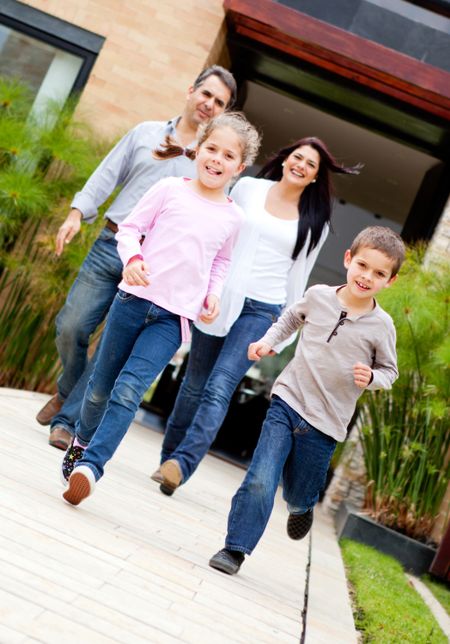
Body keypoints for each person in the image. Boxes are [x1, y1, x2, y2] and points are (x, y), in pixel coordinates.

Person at [60, 112, 261, 506]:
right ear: (198, 149)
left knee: (129, 391)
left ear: (240, 167)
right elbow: (131, 229)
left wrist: (212, 295)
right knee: (100, 388)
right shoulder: (169, 189)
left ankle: (91, 467)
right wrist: (133, 260)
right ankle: (82, 442)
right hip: (131, 302)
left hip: (173, 318)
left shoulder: (234, 217)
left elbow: (220, 262)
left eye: (227, 156)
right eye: (211, 149)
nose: (216, 160)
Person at [35, 65, 237, 450]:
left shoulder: (213, 162)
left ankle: (66, 421)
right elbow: (106, 174)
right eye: (206, 94)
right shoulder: (145, 133)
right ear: (190, 90)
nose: (209, 104)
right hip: (113, 244)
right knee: (72, 326)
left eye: (219, 102)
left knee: (110, 349)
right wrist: (77, 213)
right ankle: (68, 389)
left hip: (156, 269)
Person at [152, 138, 360, 496]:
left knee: (220, 385)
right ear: (284, 160)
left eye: (310, 165)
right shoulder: (248, 189)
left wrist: (286, 332)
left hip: (263, 308)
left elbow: (299, 277)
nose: (301, 166)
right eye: (297, 157)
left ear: (314, 177)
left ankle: (182, 464)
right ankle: (169, 460)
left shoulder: (315, 222)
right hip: (219, 297)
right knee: (194, 381)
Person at [208, 226, 405, 575]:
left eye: (378, 273)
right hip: (288, 400)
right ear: (348, 259)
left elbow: (390, 371)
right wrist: (268, 341)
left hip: (327, 422)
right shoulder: (318, 296)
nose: (366, 276)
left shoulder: (382, 326)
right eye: (362, 265)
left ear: (390, 281)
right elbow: (289, 319)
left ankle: (302, 506)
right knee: (261, 477)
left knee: (299, 492)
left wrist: (373, 378)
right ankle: (234, 549)